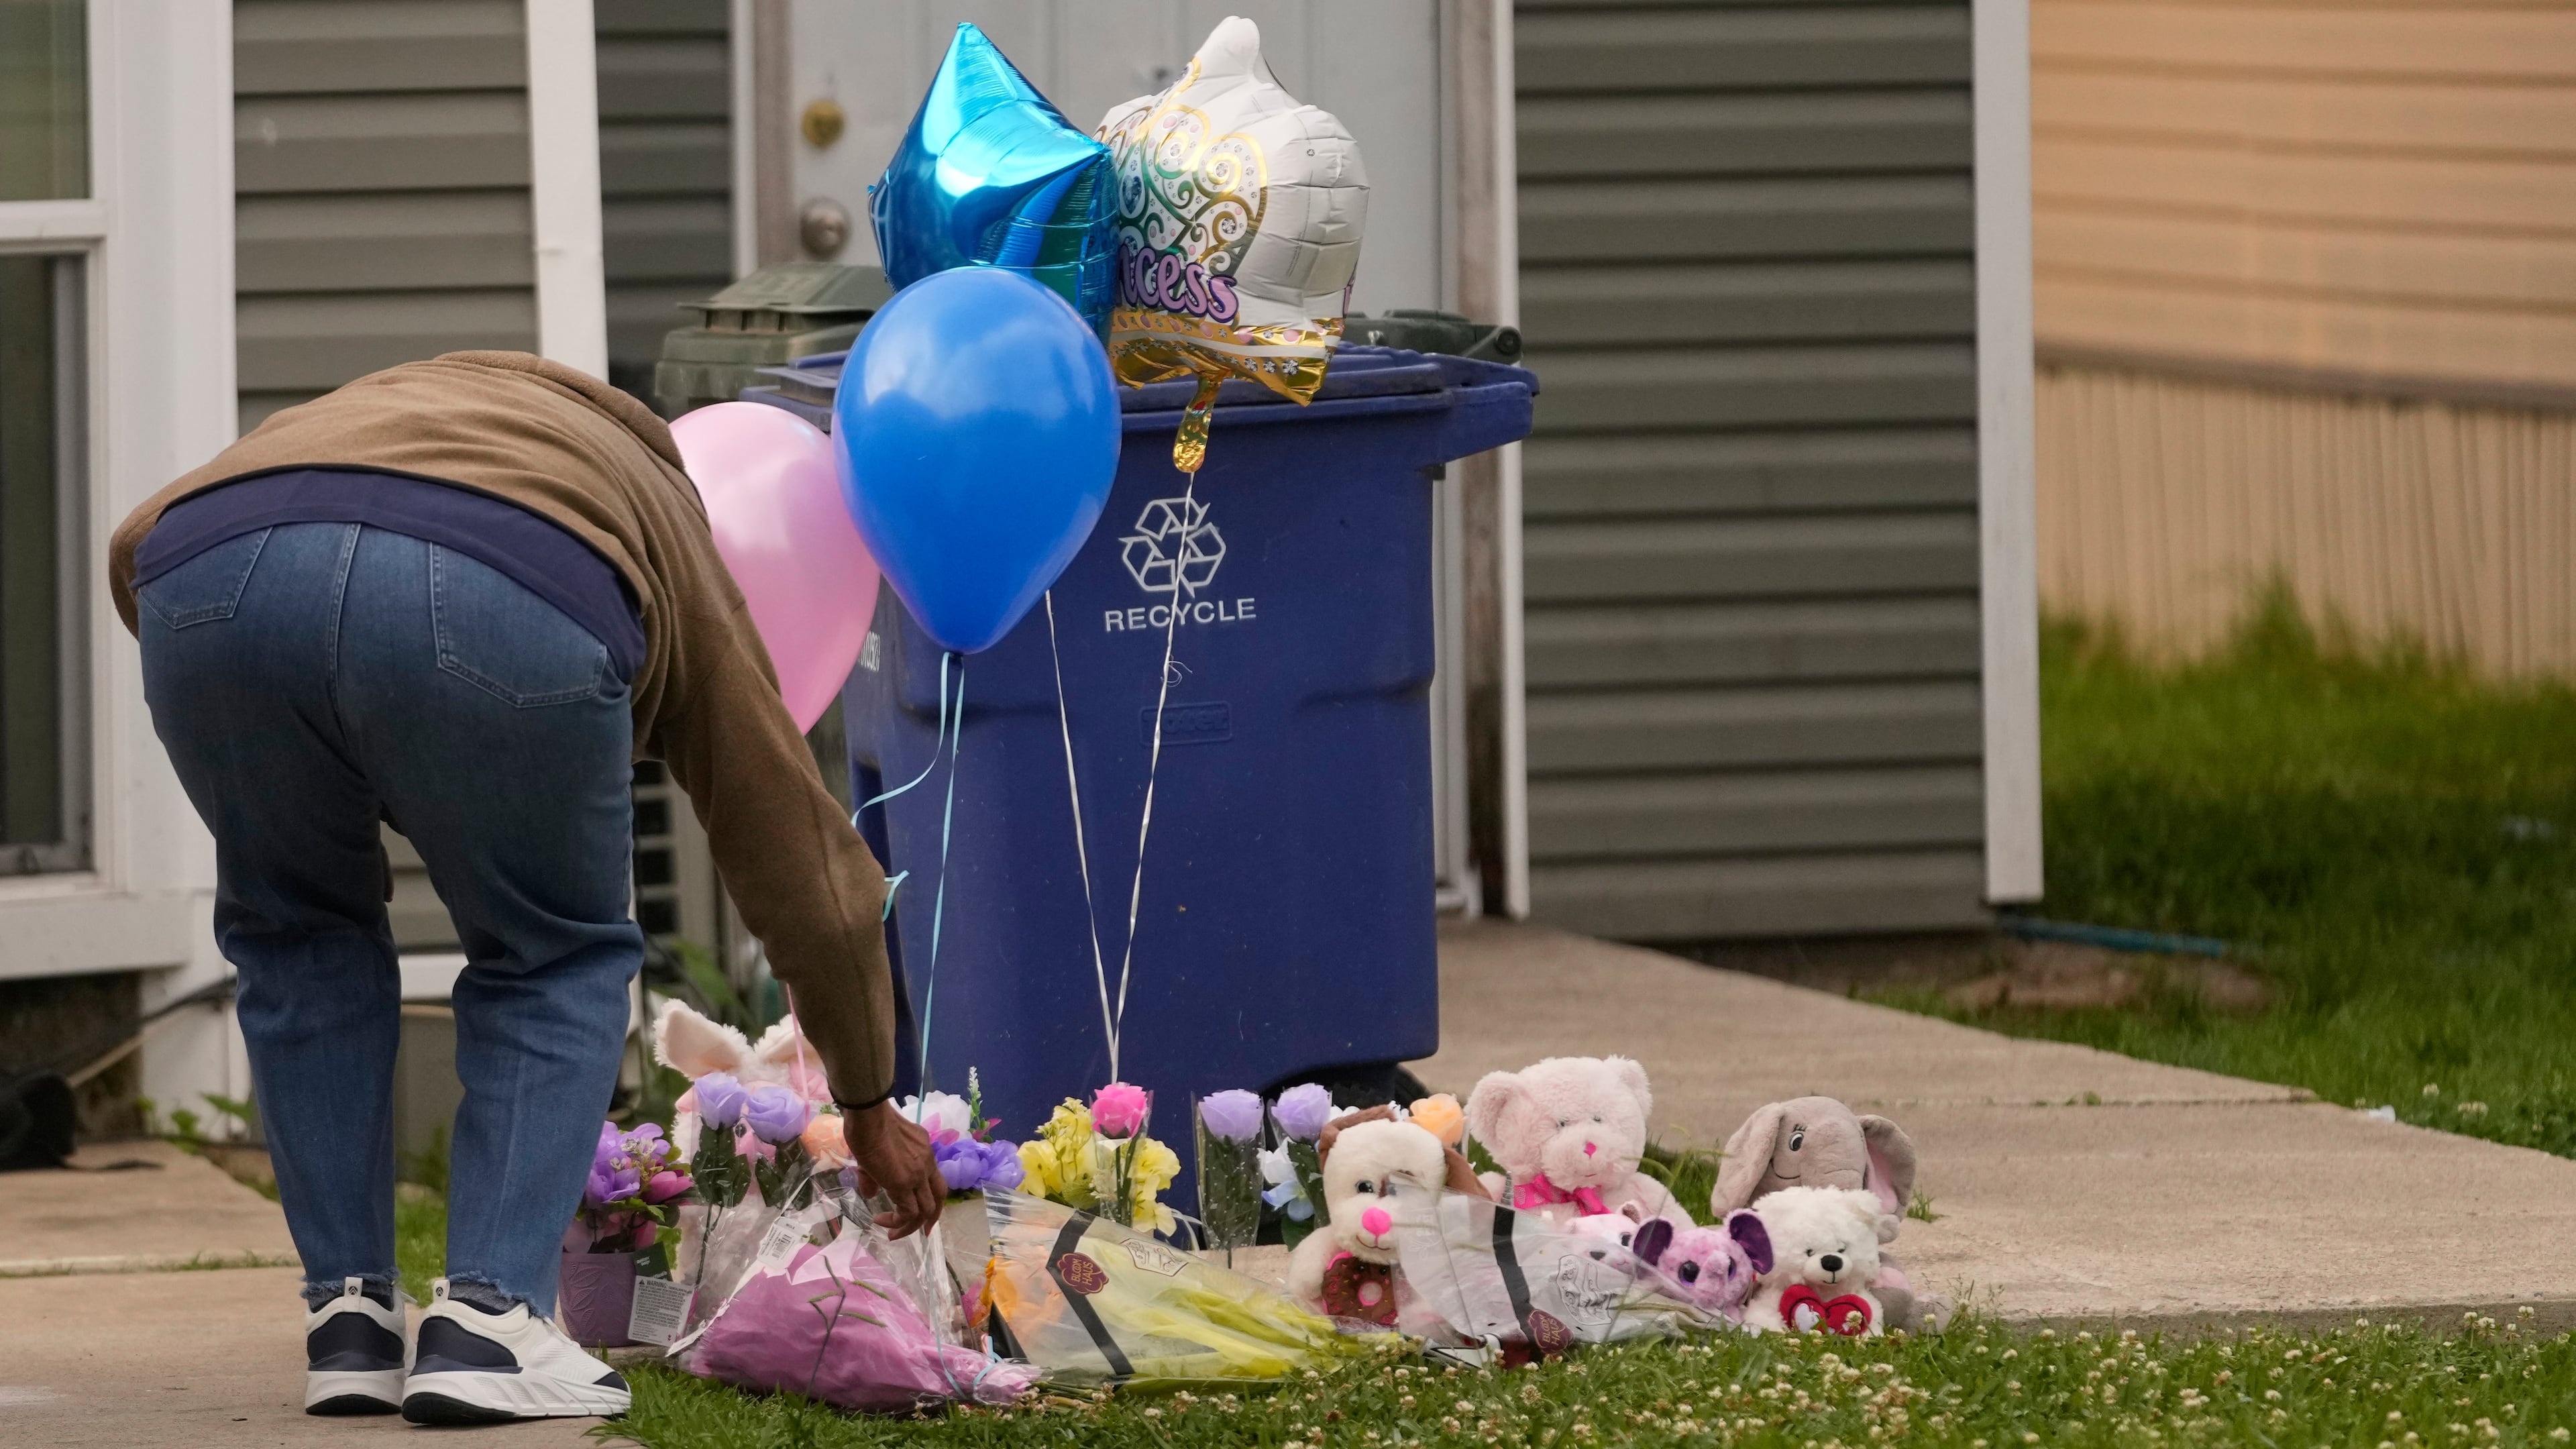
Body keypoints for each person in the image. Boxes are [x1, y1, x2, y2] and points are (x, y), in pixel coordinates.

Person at [107, 352, 944, 1426]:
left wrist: (274, 708)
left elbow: (143, 546)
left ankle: (349, 1321)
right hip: (501, 585)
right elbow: (799, 854)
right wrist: (869, 1101)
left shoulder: (381, 406)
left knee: (297, 934)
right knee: (557, 953)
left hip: (205, 576)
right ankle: (491, 1323)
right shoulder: (654, 519)